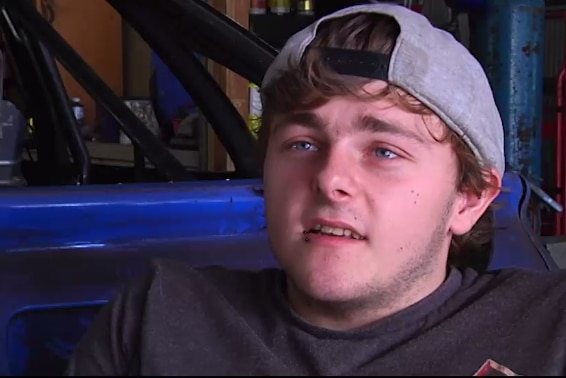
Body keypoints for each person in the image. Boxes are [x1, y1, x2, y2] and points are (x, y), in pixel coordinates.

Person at [65, 3, 566, 376]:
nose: (330, 179)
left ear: (469, 199)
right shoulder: (160, 318)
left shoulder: (549, 332)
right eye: (303, 144)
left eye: (384, 151)